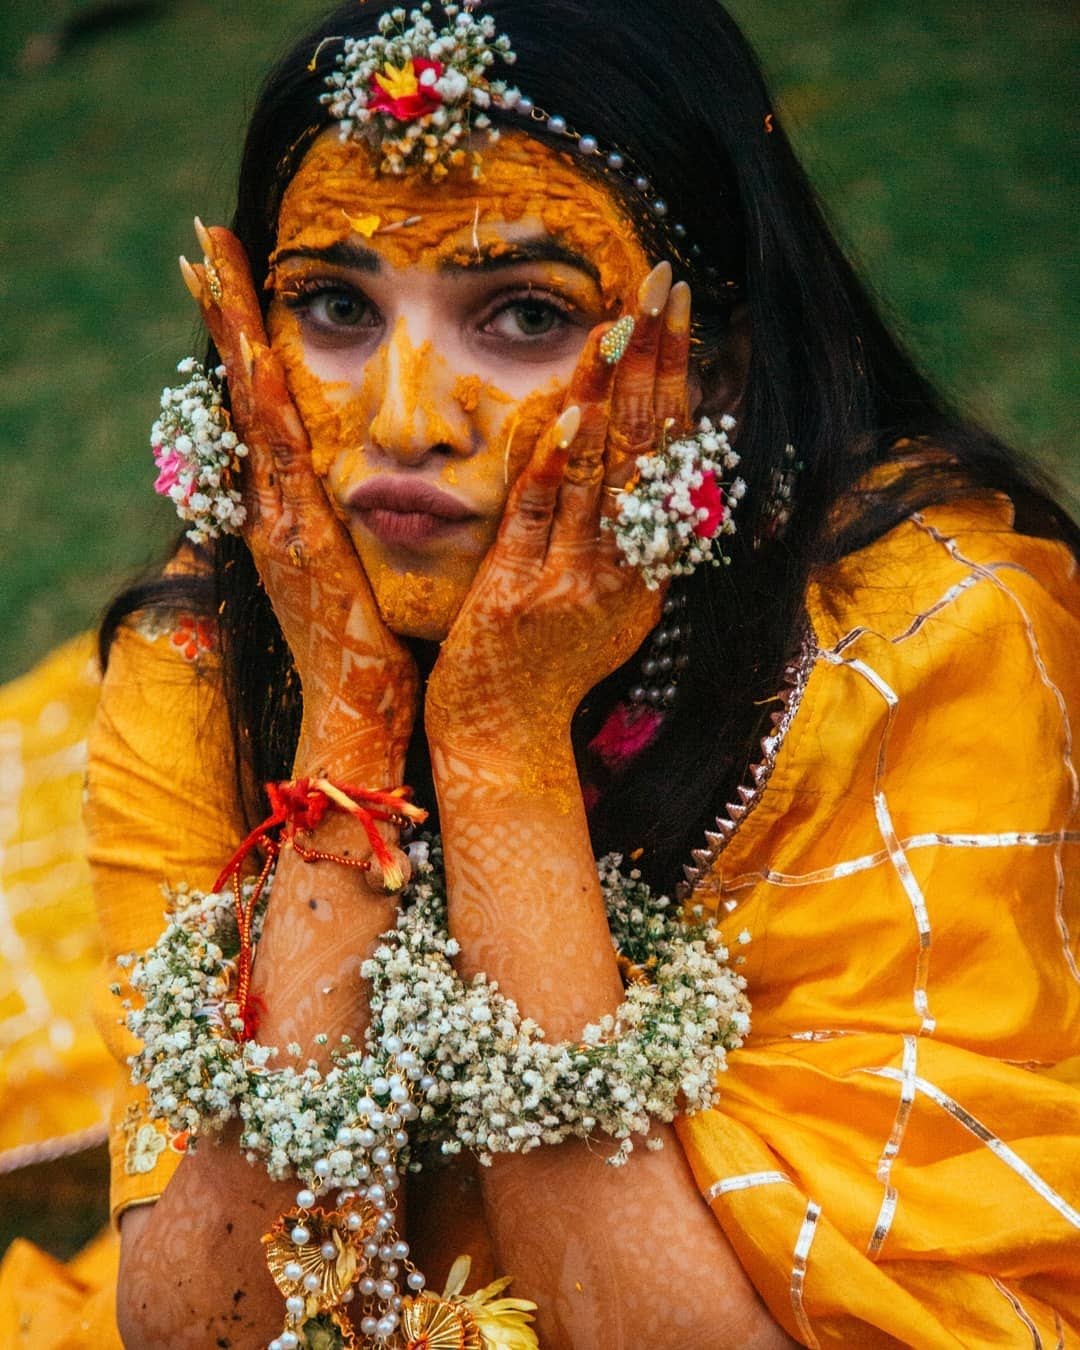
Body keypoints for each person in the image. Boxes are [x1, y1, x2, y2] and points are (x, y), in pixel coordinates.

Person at [65, 0, 1080, 1345]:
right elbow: (204, 1328)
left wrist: (499, 753)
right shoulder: (209, 654)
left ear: (711, 369)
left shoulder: (917, 642)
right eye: (332, 306)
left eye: (527, 315)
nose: (409, 418)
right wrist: (351, 735)